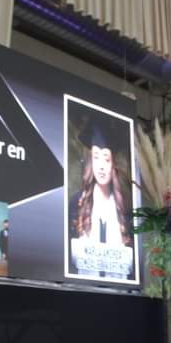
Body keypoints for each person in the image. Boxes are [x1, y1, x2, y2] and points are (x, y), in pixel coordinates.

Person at [68, 118, 134, 280]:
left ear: (113, 165)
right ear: (91, 161)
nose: (101, 166)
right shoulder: (77, 203)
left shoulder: (124, 207)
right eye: (96, 157)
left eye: (106, 158)